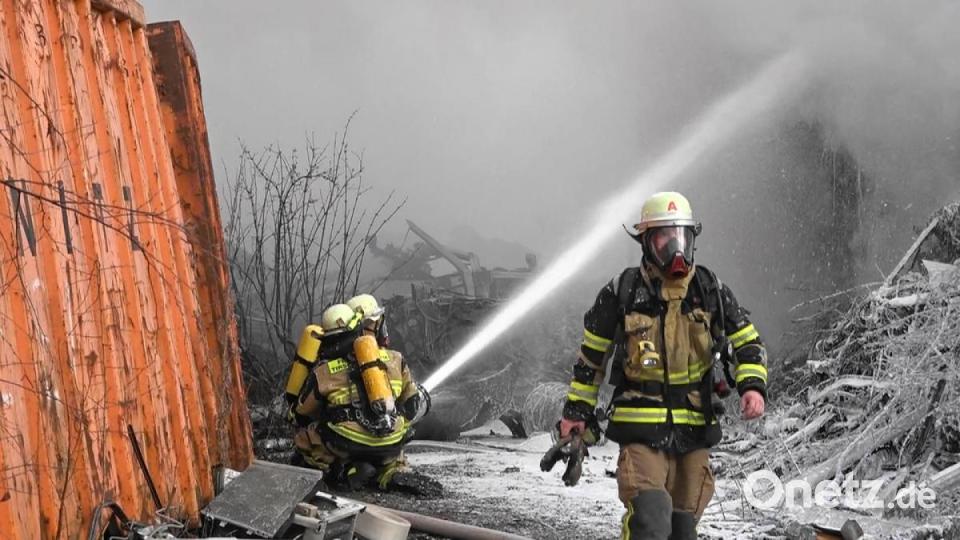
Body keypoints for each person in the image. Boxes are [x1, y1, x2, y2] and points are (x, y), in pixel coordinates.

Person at [556, 192, 767, 539]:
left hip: (694, 430)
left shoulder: (710, 289)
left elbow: (747, 342)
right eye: (664, 239)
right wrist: (577, 412)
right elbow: (591, 359)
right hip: (641, 429)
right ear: (646, 242)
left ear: (693, 239)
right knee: (650, 522)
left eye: (681, 238)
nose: (675, 250)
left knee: (682, 531)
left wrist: (753, 387)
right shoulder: (622, 291)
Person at [291, 297, 429, 490]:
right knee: (395, 438)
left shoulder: (324, 371)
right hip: (391, 441)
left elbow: (302, 411)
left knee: (307, 435)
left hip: (346, 444)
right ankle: (392, 471)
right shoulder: (395, 358)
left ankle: (338, 470)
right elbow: (413, 405)